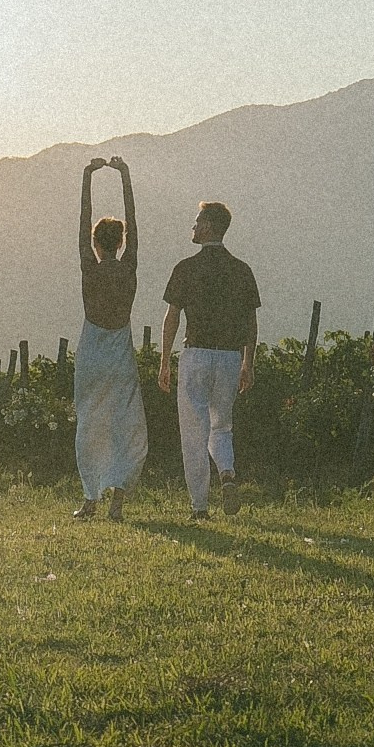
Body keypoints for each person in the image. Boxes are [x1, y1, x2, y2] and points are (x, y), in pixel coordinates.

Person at [160, 199, 259, 520]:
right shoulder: (242, 270)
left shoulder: (186, 268)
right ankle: (227, 473)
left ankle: (200, 507)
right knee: (222, 426)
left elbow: (172, 318)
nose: (193, 226)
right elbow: (250, 323)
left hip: (196, 354)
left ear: (207, 227)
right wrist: (248, 363)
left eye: (197, 222)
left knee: (194, 433)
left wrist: (164, 361)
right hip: (230, 357)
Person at [73, 155, 149, 521]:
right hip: (119, 353)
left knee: (90, 423)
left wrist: (88, 176)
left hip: (91, 350)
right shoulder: (129, 266)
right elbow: (133, 223)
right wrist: (125, 176)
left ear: (94, 242)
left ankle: (91, 498)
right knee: (125, 425)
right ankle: (117, 502)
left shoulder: (89, 267)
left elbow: (83, 219)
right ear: (120, 243)